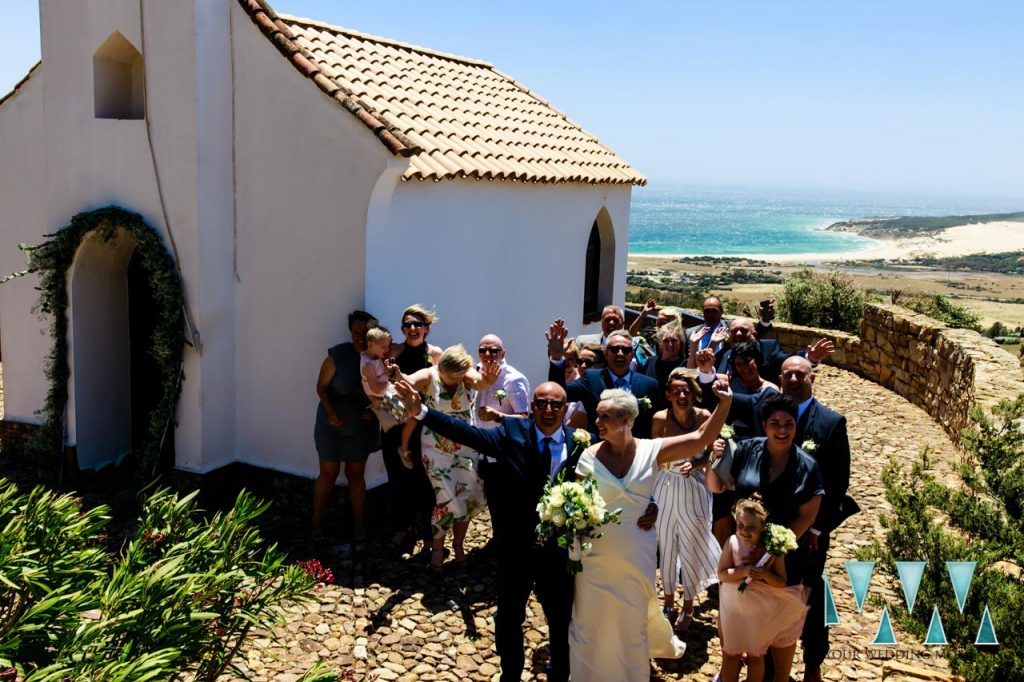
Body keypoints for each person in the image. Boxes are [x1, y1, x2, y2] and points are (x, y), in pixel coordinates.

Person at [393, 380, 658, 682]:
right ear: (532, 407)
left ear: (565, 408)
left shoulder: (582, 444)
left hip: (560, 554)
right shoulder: (511, 433)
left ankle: (561, 673)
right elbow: (468, 433)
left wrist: (648, 503)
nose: (548, 409)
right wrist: (423, 412)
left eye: (556, 404)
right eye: (541, 403)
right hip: (515, 548)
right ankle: (511, 674)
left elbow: (620, 475)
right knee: (508, 619)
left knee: (561, 620)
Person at [569, 383, 733, 682]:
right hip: (595, 557)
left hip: (636, 553)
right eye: (597, 416)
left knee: (632, 619)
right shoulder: (588, 458)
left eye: (604, 417)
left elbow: (701, 437)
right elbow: (576, 503)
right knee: (592, 619)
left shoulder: (651, 450)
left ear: (625, 421)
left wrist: (725, 403)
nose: (597, 422)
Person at [705, 393, 825, 682]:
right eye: (775, 423)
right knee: (737, 637)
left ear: (797, 426)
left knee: (780, 640)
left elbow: (807, 515)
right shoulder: (746, 450)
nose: (781, 430)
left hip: (785, 562)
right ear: (764, 424)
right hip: (742, 555)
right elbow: (716, 486)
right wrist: (713, 459)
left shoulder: (807, 466)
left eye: (788, 424)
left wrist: (773, 550)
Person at [403, 345, 497, 570]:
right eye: (452, 377)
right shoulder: (430, 375)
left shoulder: (465, 374)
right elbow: (407, 382)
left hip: (466, 445)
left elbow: (480, 383)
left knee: (467, 494)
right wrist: (396, 375)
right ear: (442, 369)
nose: (457, 380)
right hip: (436, 448)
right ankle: (437, 550)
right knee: (444, 498)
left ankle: (458, 546)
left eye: (460, 376)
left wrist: (489, 379)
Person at [651, 368, 721, 632]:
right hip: (665, 486)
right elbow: (655, 454)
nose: (682, 395)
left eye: (687, 391)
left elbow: (716, 454)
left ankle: (689, 604)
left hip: (695, 487)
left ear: (693, 394)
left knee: (692, 545)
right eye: (677, 391)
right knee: (667, 546)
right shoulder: (659, 419)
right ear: (668, 395)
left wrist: (698, 463)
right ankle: (668, 602)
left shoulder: (704, 416)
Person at [717, 496, 811, 682]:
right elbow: (722, 574)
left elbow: (781, 581)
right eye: (740, 525)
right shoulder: (732, 543)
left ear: (763, 527)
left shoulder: (772, 549)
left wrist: (766, 575)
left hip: (758, 611)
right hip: (733, 607)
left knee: (755, 655)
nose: (744, 531)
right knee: (730, 654)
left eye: (751, 527)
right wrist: (742, 571)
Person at [312, 310, 381, 544]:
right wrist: (331, 413)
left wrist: (373, 411)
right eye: (356, 333)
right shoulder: (337, 356)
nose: (360, 338)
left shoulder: (379, 357)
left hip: (360, 428)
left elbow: (386, 392)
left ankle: (359, 524)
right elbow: (321, 387)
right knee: (328, 473)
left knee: (356, 474)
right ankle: (316, 523)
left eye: (365, 333)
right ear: (350, 332)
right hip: (332, 426)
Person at [382, 304, 444, 555]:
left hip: (423, 427)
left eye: (418, 324)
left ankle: (429, 533)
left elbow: (439, 388)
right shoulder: (394, 351)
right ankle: (402, 527)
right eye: (407, 324)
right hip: (394, 423)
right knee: (397, 479)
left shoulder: (435, 354)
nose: (413, 328)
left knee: (425, 480)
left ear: (427, 329)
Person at [546, 322, 660, 438]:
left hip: (636, 451)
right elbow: (559, 393)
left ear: (632, 355)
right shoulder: (591, 378)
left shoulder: (649, 385)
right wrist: (556, 358)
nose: (620, 354)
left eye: (626, 350)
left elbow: (655, 425)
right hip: (600, 450)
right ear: (605, 352)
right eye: (614, 349)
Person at [471, 334, 530, 518]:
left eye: (493, 350)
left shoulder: (513, 379)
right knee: (491, 501)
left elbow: (524, 419)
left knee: (506, 503)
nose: (487, 354)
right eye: (483, 350)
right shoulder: (476, 373)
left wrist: (497, 416)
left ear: (503, 353)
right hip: (482, 451)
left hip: (503, 452)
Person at [359, 326, 415, 466]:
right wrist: (389, 377)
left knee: (412, 415)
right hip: (385, 399)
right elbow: (375, 387)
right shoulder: (368, 366)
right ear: (371, 344)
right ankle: (404, 449)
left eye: (388, 346)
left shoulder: (373, 357)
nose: (386, 350)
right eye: (383, 347)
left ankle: (404, 446)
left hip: (386, 395)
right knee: (413, 418)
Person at [642, 322, 687, 391]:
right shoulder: (651, 362)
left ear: (680, 343)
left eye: (674, 341)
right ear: (660, 343)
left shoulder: (686, 365)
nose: (670, 345)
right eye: (666, 341)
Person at [685, 296, 730, 365]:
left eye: (714, 311)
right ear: (702, 312)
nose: (710, 315)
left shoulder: (730, 332)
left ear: (721, 312)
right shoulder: (690, 333)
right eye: (707, 311)